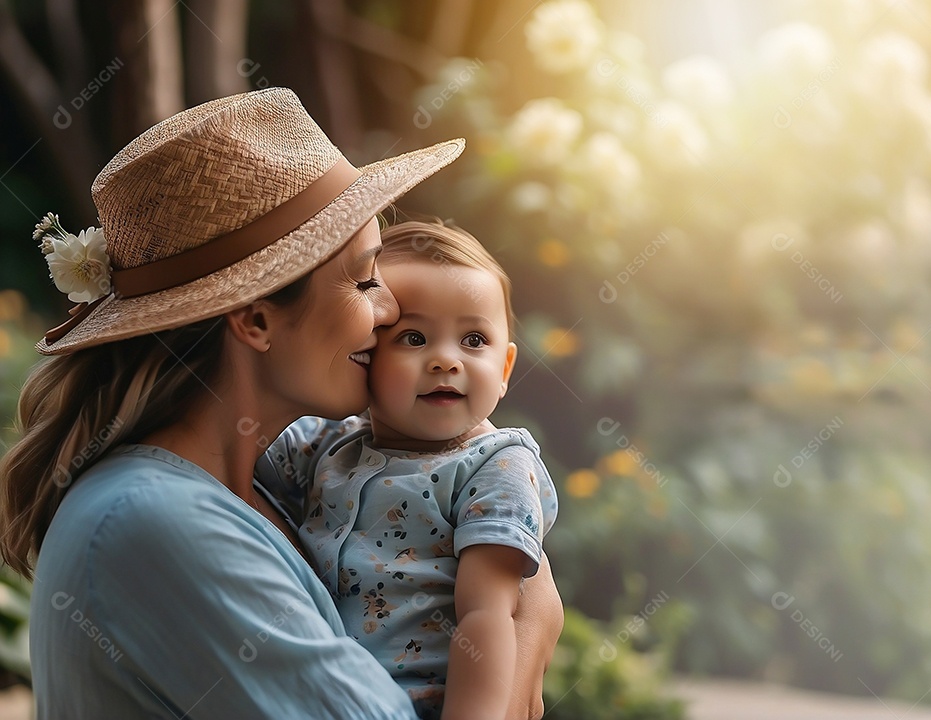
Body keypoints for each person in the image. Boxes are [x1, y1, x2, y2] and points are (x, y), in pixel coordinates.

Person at [0, 88, 561, 719]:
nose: (388, 311)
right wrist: (532, 620)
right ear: (258, 321)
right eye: (363, 279)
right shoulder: (154, 521)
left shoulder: (269, 482)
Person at [256, 221, 558, 719]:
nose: (445, 360)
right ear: (365, 357)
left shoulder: (496, 466)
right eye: (414, 337)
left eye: (474, 339)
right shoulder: (333, 444)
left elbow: (487, 615)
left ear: (504, 370)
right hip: (325, 695)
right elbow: (240, 437)